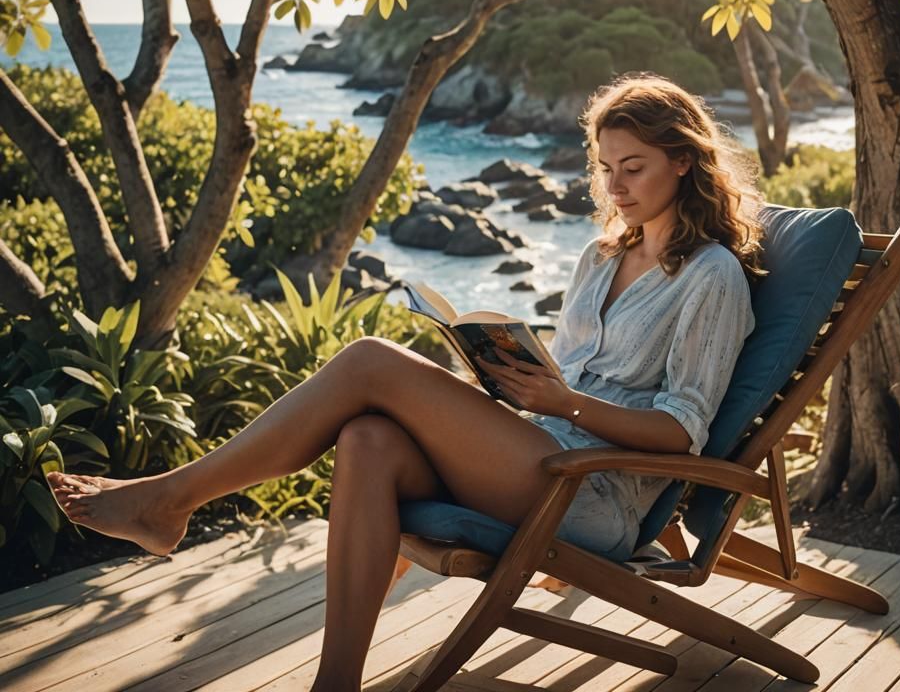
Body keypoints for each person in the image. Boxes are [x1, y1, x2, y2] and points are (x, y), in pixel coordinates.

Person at [47, 72, 765, 692]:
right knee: (368, 438)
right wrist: (497, 377)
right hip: (534, 454)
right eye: (604, 166)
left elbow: (682, 430)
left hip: (593, 490)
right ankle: (337, 682)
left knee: (367, 361)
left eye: (633, 167)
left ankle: (170, 499)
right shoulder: (602, 257)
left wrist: (565, 402)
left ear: (681, 160)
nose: (614, 186)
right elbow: (563, 377)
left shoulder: (711, 277)